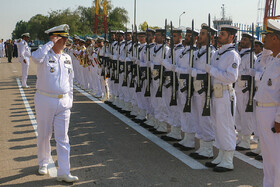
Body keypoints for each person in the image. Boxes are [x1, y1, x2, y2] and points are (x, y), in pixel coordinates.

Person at [31, 24, 78, 183]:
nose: (65, 42)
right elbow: (35, 58)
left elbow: (70, 81)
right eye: (62, 39)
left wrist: (70, 100)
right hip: (45, 99)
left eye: (65, 39)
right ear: (54, 38)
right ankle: (43, 162)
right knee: (44, 135)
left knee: (63, 137)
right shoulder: (44, 55)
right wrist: (50, 43)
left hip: (63, 102)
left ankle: (64, 171)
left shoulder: (67, 57)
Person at [204, 25, 240, 172]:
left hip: (225, 94)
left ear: (231, 37)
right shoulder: (218, 53)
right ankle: (221, 155)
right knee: (217, 125)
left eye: (223, 34)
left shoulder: (232, 54)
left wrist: (211, 70)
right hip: (215, 93)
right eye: (220, 33)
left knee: (226, 126)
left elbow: (231, 77)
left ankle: (228, 159)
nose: (220, 36)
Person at [254, 19, 280, 187]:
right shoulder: (271, 59)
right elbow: (263, 60)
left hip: (273, 114)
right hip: (263, 111)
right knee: (268, 157)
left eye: (267, 36)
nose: (264, 39)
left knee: (277, 157)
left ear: (276, 39)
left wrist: (279, 118)